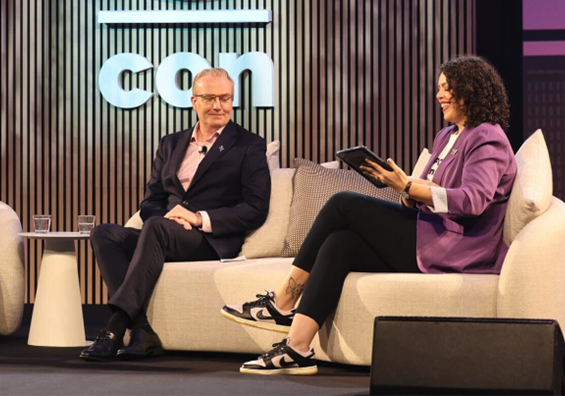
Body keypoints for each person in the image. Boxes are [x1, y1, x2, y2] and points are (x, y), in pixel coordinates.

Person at [222, 54, 518, 375]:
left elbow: (473, 201)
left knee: (343, 203)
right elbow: (431, 192)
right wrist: (403, 187)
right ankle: (297, 347)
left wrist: (408, 186)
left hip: (457, 248)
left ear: (470, 89)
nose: (439, 95)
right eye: (439, 88)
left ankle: (282, 301)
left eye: (447, 88)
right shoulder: (446, 136)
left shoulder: (488, 136)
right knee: (340, 243)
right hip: (430, 231)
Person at [81, 67, 271, 361]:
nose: (218, 106)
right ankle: (142, 331)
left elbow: (255, 208)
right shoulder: (171, 143)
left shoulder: (248, 145)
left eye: (225, 98)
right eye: (209, 98)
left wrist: (197, 218)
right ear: (194, 102)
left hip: (209, 240)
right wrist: (171, 217)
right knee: (104, 233)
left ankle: (115, 328)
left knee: (156, 227)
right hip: (166, 231)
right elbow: (151, 201)